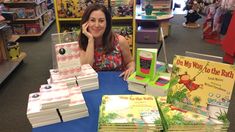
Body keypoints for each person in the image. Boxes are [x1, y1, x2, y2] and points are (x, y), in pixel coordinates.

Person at [78, 4, 135, 80]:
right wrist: (90, 40)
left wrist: (131, 68)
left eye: (101, 21)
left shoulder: (120, 41)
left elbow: (129, 62)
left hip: (118, 84)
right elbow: (86, 70)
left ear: (107, 23)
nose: (97, 25)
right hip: (93, 85)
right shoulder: (82, 43)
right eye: (92, 20)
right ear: (85, 23)